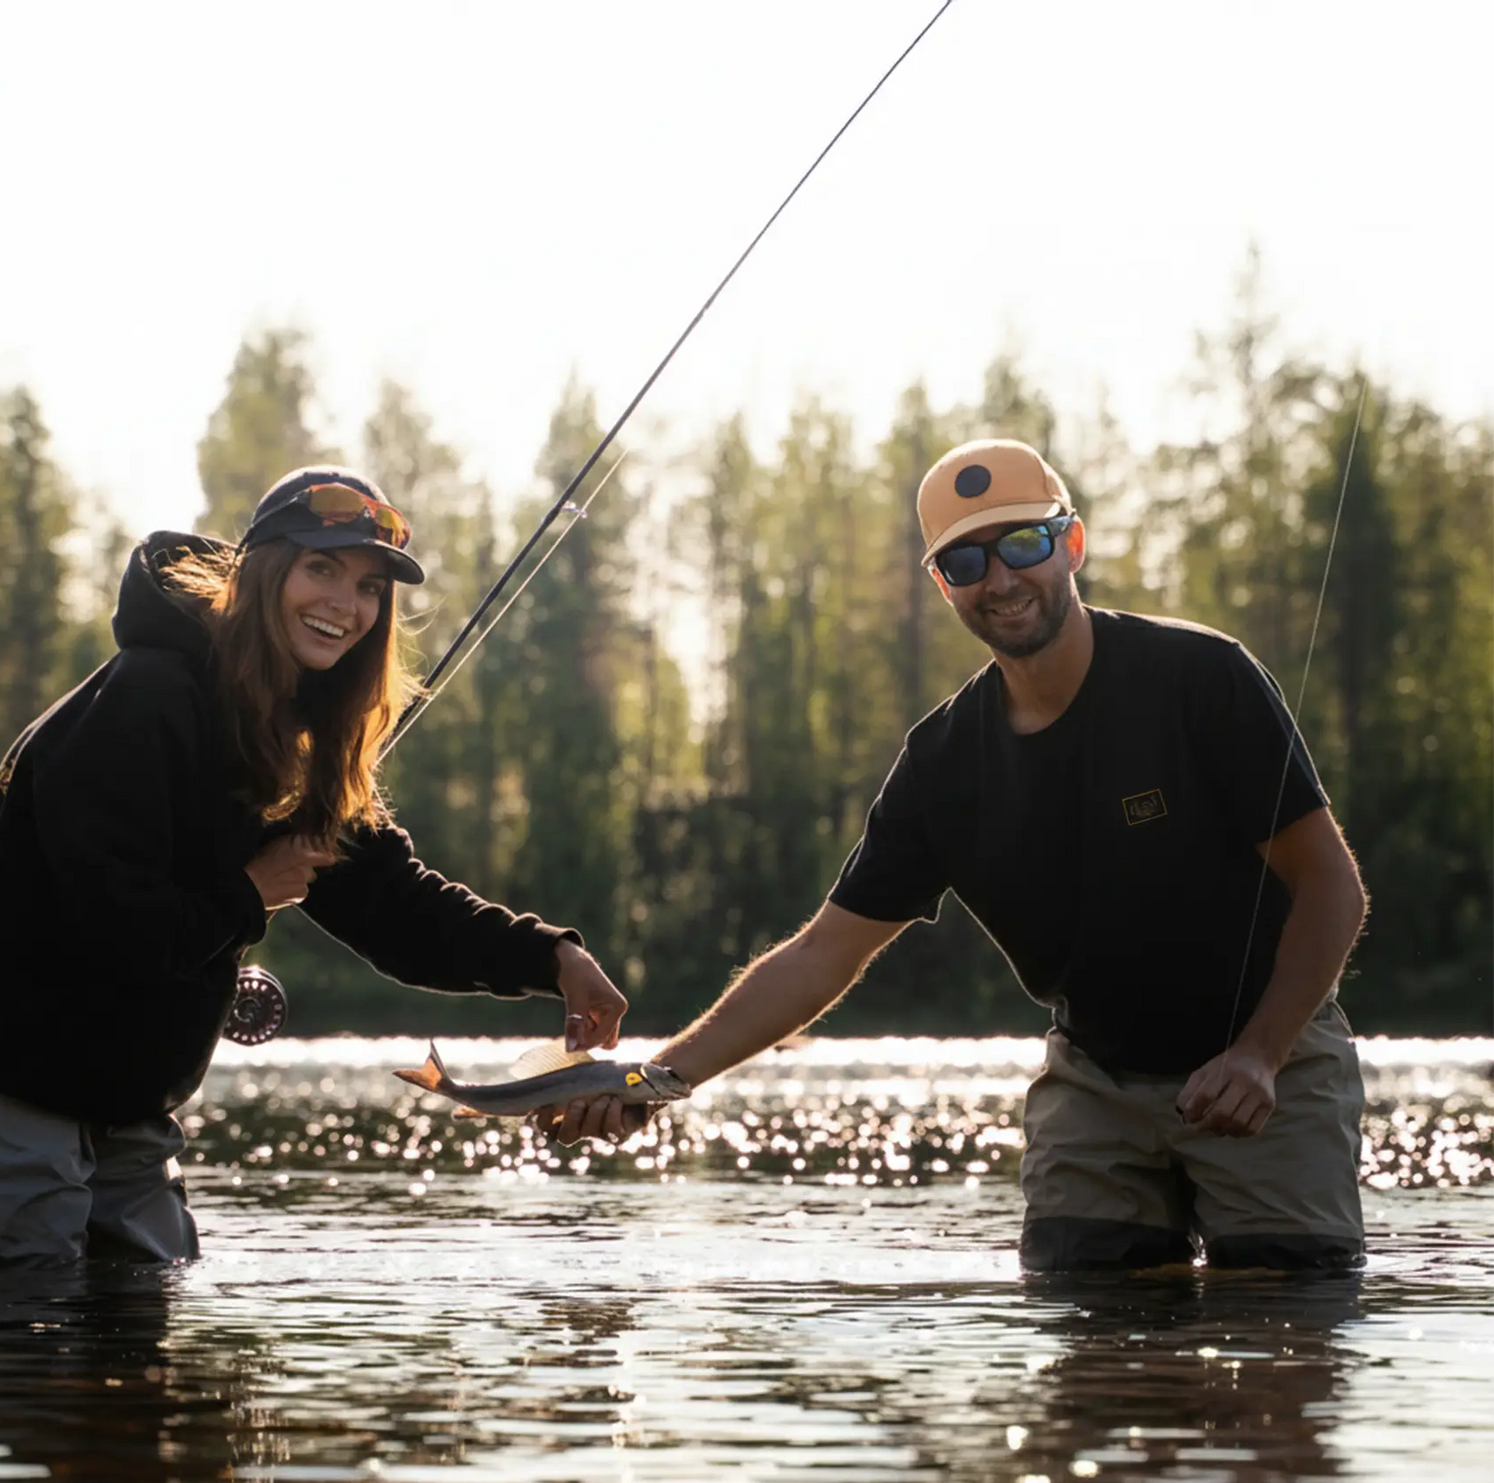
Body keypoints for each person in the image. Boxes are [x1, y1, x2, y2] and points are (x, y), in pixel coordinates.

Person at [551, 438, 1369, 1273]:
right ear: (943, 585)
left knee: (1280, 1317)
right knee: (1083, 1316)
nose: (1001, 579)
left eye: (1023, 543)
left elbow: (1332, 886)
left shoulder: (1202, 678)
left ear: (1072, 543)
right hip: (1097, 1080)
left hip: (1270, 1052)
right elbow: (823, 954)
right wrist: (655, 1081)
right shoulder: (942, 764)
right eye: (967, 561)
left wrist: (1261, 1053)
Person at [0, 467, 626, 1270]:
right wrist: (245, 895)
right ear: (263, 571)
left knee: (149, 1302)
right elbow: (101, 920)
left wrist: (552, 958)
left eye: (369, 588)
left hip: (126, 1088)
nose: (346, 605)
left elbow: (395, 908)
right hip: (8, 1058)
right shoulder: (146, 697)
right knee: (24, 1315)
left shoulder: (300, 736)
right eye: (322, 569)